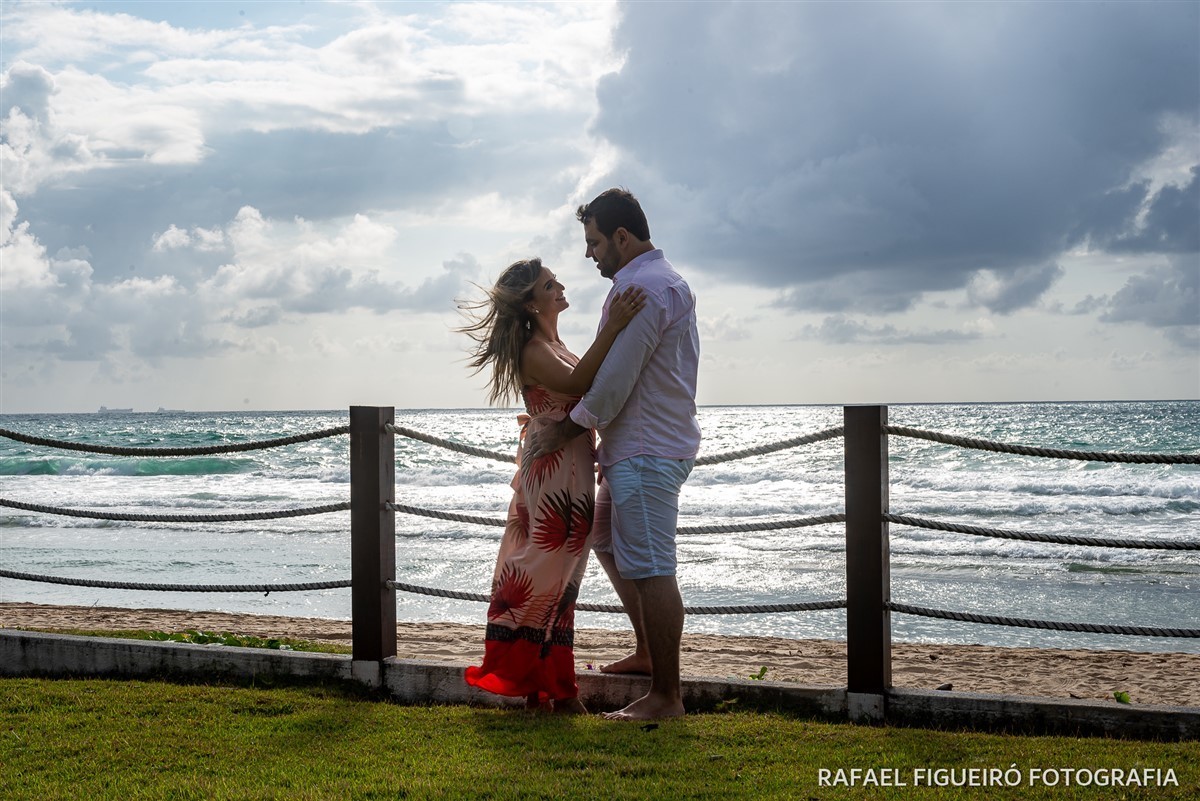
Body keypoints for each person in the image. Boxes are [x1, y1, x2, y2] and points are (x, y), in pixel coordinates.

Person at [526, 188, 701, 720]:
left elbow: (613, 382)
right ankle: (648, 651)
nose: (589, 254)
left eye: (595, 242)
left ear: (622, 237)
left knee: (652, 568)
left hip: (645, 450)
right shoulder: (664, 281)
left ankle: (666, 697)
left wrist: (565, 431)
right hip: (640, 446)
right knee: (603, 536)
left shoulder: (641, 287)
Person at [458, 256, 645, 714]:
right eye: (549, 285)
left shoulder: (555, 344)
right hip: (554, 468)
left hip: (570, 462)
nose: (560, 287)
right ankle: (549, 688)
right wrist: (615, 326)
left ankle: (545, 690)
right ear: (530, 303)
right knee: (548, 569)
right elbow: (580, 382)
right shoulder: (534, 350)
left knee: (564, 574)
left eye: (556, 281)